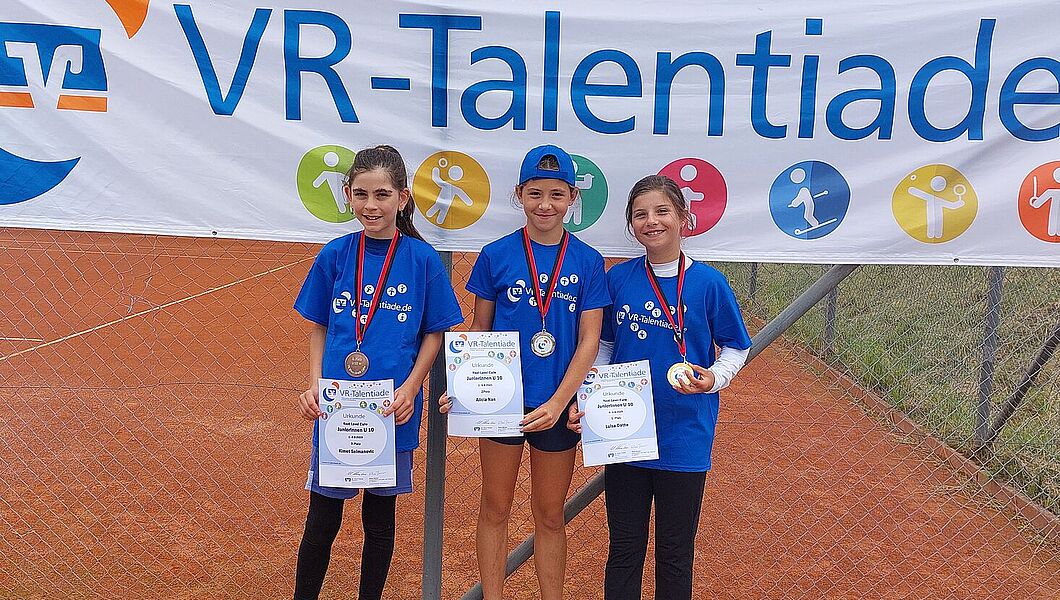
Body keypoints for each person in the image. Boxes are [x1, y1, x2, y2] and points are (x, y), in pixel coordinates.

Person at [291, 145, 464, 600]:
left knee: (379, 521)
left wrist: (411, 387)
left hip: (391, 409)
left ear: (402, 198)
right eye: (362, 194)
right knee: (322, 518)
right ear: (348, 194)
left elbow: (435, 333)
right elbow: (319, 326)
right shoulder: (335, 254)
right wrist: (314, 385)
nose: (371, 205)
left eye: (382, 195)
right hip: (337, 411)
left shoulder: (422, 259)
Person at [569, 174, 752, 600]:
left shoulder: (709, 283)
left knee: (674, 553)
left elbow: (735, 346)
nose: (651, 221)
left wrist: (715, 378)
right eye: (640, 214)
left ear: (683, 218)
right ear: (631, 225)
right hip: (625, 433)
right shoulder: (618, 279)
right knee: (624, 548)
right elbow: (603, 345)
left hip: (684, 433)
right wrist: (589, 397)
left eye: (661, 211)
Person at [440, 144, 610, 600]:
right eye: (535, 193)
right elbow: (480, 329)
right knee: (495, 507)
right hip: (501, 404)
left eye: (556, 194)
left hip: (556, 405)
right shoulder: (496, 254)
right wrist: (465, 385)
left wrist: (559, 402)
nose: (545, 204)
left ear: (572, 197)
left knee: (550, 515)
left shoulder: (588, 260)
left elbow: (590, 340)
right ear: (519, 194)